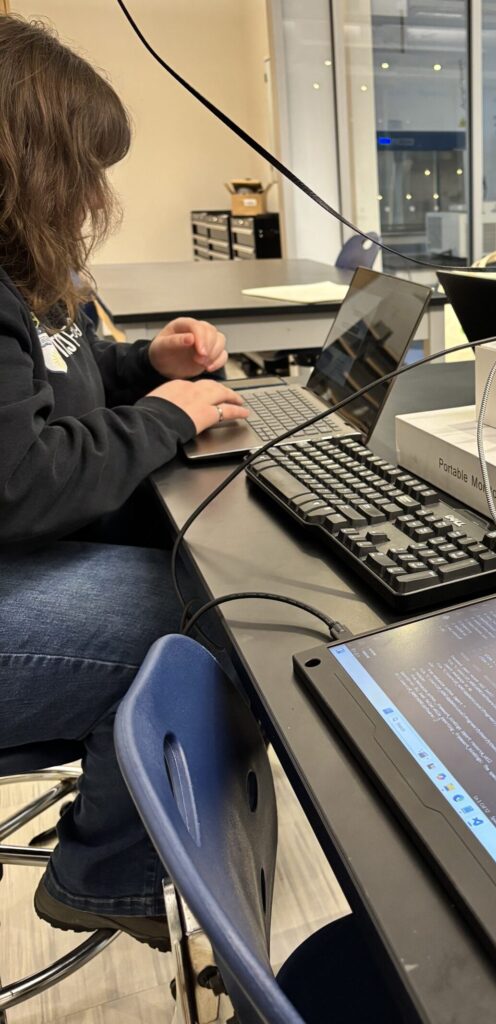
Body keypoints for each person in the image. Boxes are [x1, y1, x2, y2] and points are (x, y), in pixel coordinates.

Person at [0, 16, 250, 948]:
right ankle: (107, 877)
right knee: (210, 620)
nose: (97, 191)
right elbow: (21, 480)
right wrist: (169, 415)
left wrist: (146, 361)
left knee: (201, 573)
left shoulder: (19, 275)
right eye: (84, 167)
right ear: (29, 161)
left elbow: (51, 382)